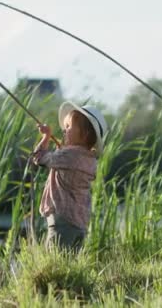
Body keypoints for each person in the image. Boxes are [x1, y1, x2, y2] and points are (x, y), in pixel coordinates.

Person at [33, 101, 108, 251]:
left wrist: (46, 136)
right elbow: (69, 161)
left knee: (55, 263)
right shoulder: (90, 160)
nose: (64, 131)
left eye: (68, 127)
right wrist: (64, 149)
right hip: (79, 224)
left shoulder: (68, 156)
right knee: (68, 264)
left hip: (62, 221)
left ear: (85, 134)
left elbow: (39, 157)